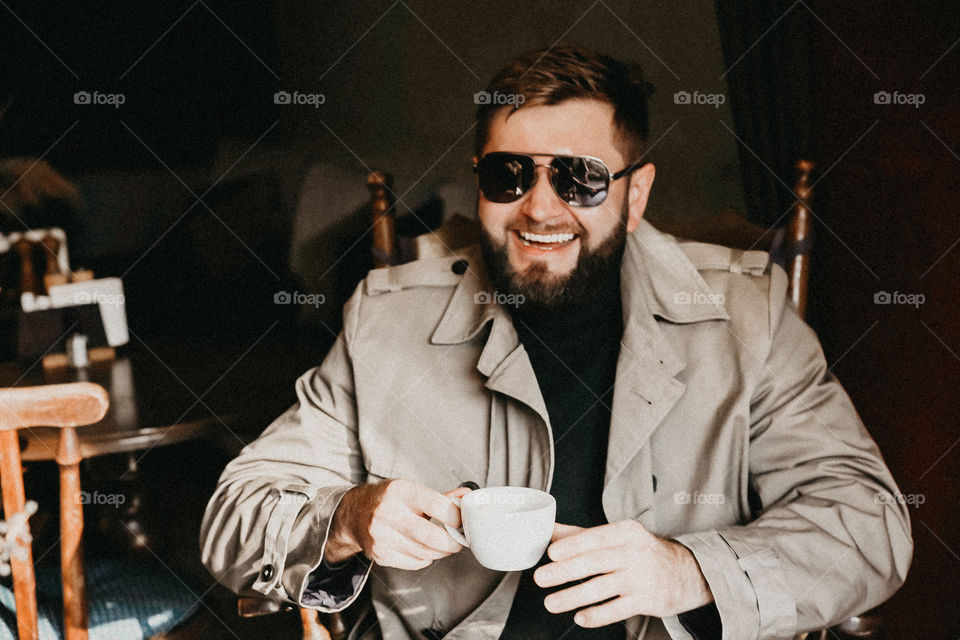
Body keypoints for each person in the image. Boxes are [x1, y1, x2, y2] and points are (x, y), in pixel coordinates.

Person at [200, 43, 912, 639]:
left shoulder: (746, 317)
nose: (540, 207)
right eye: (509, 175)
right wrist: (347, 518)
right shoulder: (386, 320)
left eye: (581, 178)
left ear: (635, 195)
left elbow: (869, 523)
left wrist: (689, 570)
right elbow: (234, 515)